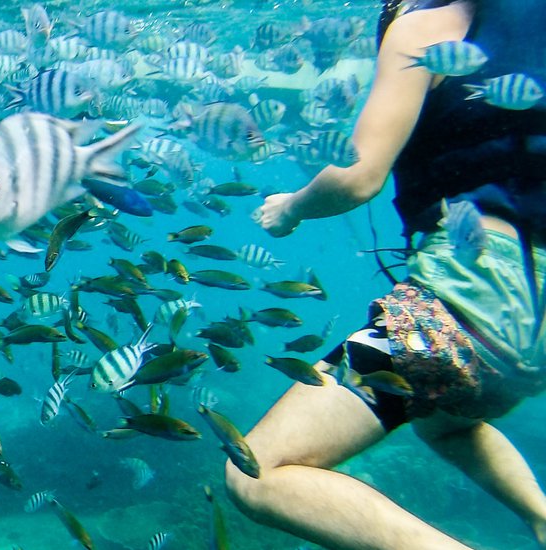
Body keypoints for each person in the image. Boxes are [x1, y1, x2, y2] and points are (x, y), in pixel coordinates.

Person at [233, 0, 546, 548]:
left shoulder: (426, 26)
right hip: (532, 326)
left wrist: (291, 207)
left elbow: (360, 178)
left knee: (256, 470)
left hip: (478, 296)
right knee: (443, 416)